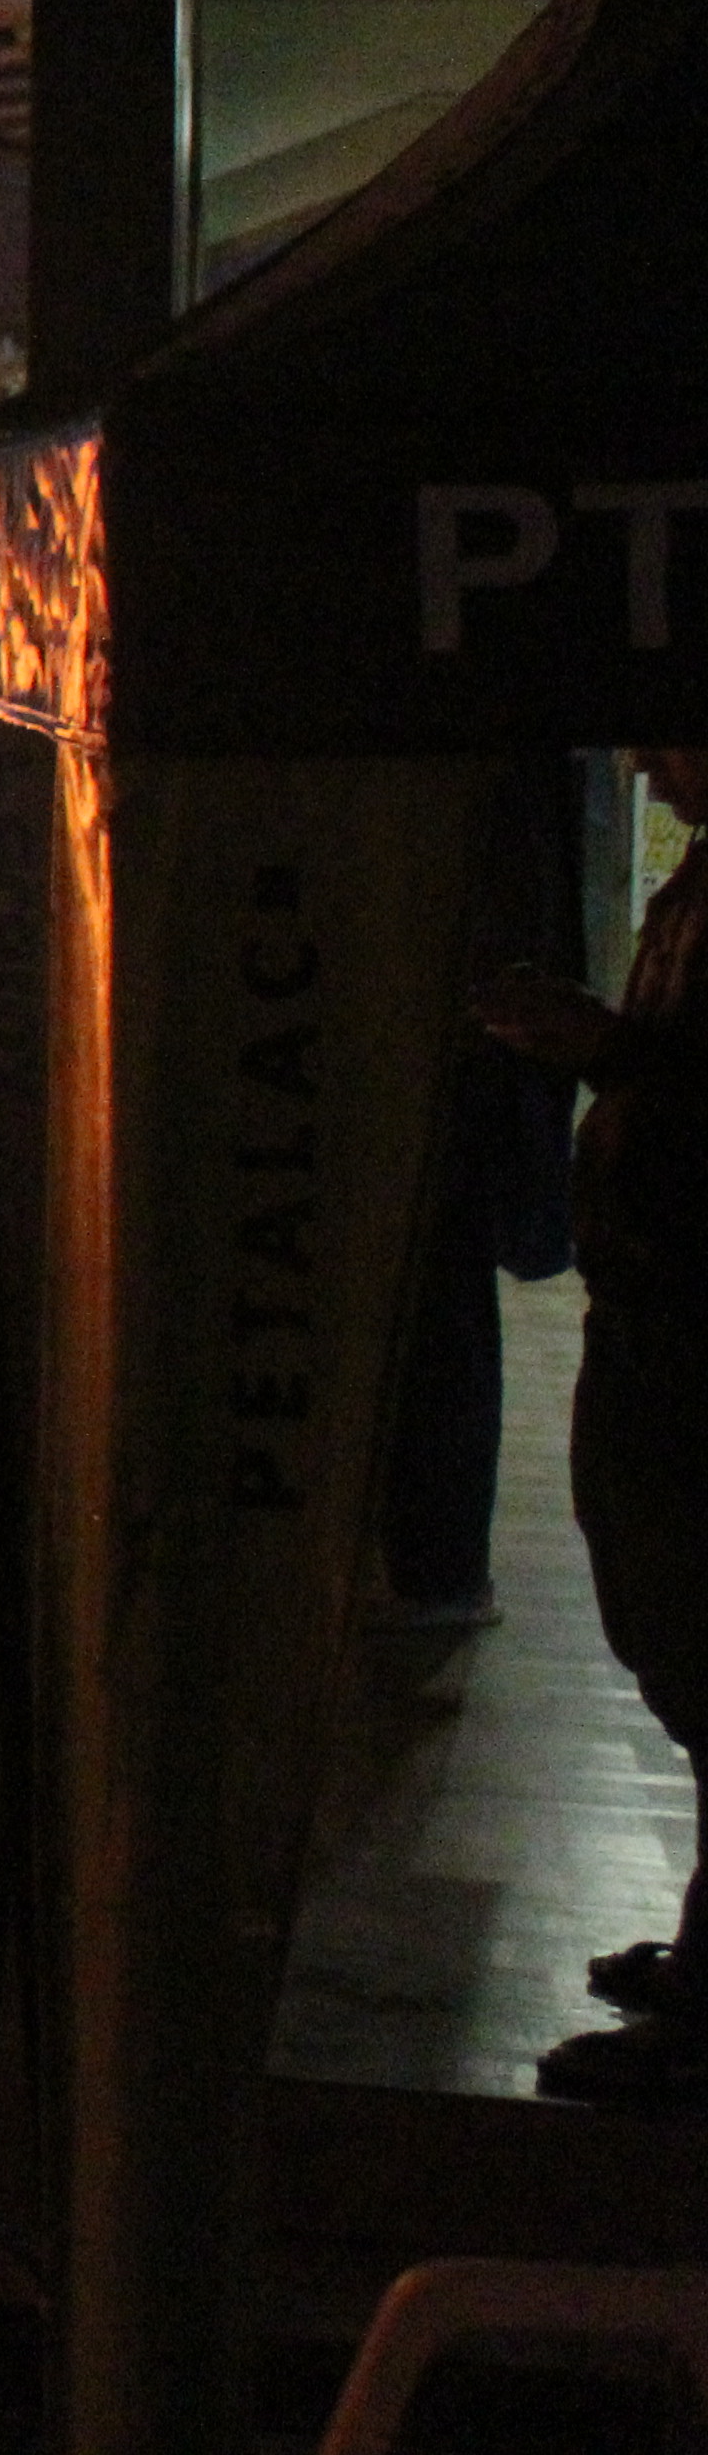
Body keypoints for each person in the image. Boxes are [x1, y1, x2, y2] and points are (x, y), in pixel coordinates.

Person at [481, 750, 708, 2100]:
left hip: (690, 1317)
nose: (639, 760)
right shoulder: (695, 874)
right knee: (672, 1632)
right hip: (659, 1311)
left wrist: (609, 1052)